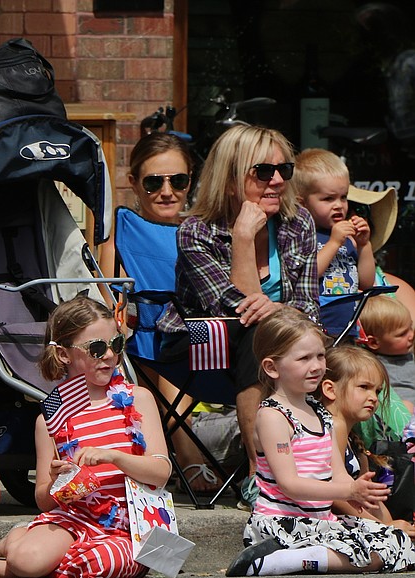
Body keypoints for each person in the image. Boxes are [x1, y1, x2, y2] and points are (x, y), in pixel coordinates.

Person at [157, 125, 321, 508]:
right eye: (263, 172)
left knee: (336, 354)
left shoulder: (298, 225)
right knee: (258, 333)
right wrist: (244, 237)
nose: (277, 181)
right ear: (231, 181)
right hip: (200, 344)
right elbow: (235, 310)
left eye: (285, 171)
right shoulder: (196, 232)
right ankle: (258, 471)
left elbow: (309, 307)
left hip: (284, 344)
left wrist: (279, 309)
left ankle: (339, 468)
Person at [0, 298, 171, 578]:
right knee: (27, 560)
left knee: (102, 563)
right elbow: (44, 500)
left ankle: (3, 568)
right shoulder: (52, 419)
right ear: (64, 355)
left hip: (130, 525)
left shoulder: (138, 398)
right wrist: (58, 483)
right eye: (95, 348)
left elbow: (161, 473)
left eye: (116, 345)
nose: (108, 355)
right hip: (74, 517)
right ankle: (21, 547)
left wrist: (115, 457)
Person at [225, 308, 415, 577]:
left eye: (320, 355)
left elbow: (336, 474)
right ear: (272, 367)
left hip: (320, 521)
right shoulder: (272, 416)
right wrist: (348, 492)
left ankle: (306, 557)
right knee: (378, 552)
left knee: (400, 545)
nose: (316, 366)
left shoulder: (321, 413)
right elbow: (289, 484)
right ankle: (284, 560)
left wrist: (357, 489)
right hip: (283, 523)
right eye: (304, 358)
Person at [97, 131, 218, 493]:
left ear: (190, 181)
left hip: (196, 335)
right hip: (141, 339)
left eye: (177, 180)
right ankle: (187, 458)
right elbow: (108, 288)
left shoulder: (203, 229)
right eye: (154, 182)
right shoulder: (121, 225)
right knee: (155, 353)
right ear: (134, 182)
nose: (167, 191)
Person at [318, 345, 413, 528]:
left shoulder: (353, 438)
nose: (374, 398)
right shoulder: (333, 427)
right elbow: (334, 497)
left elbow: (371, 498)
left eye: (377, 391)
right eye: (364, 387)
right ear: (330, 389)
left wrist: (391, 523)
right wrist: (384, 529)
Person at [293, 149, 376, 298]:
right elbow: (307, 274)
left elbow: (366, 283)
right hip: (318, 318)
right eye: (328, 199)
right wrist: (334, 242)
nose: (339, 205)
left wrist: (364, 245)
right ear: (302, 203)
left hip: (348, 318)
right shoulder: (302, 235)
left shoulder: (348, 238)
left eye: (343, 197)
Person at [358, 294, 415, 407]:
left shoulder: (407, 353)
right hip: (400, 417)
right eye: (402, 334)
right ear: (373, 343)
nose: (411, 335)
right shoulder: (373, 367)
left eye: (411, 327)